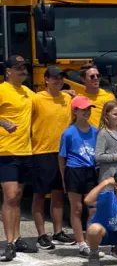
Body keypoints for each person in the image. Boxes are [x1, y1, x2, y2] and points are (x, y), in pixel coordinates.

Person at [31, 67, 76, 250]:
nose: (59, 81)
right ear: (46, 79)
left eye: (61, 78)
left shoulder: (67, 98)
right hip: (41, 151)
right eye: (55, 78)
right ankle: (41, 235)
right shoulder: (36, 98)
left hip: (63, 153)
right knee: (40, 195)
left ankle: (57, 232)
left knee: (58, 194)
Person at [0, 55, 36, 260]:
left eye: (25, 68)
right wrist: (3, 122)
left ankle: (17, 238)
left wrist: (65, 93)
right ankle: (9, 242)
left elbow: (46, 100)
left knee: (19, 197)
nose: (23, 71)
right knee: (11, 196)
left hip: (26, 151)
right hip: (6, 151)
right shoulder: (2, 90)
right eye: (18, 68)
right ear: (8, 71)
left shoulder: (27, 93)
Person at [58, 96, 99, 257]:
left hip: (90, 171)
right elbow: (62, 156)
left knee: (93, 207)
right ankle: (80, 242)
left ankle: (90, 240)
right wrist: (63, 178)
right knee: (77, 208)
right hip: (74, 170)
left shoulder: (95, 131)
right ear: (74, 111)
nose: (87, 112)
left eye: (88, 109)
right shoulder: (68, 133)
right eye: (83, 109)